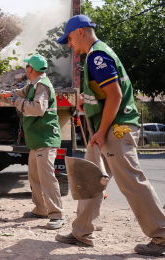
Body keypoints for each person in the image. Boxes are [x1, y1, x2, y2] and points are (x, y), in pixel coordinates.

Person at [55, 15, 165, 256]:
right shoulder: (99, 54)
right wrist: (88, 102)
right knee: (88, 179)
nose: (69, 44)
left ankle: (161, 236)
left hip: (115, 130)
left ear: (81, 32)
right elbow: (105, 94)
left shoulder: (97, 56)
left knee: (132, 182)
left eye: (70, 38)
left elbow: (115, 95)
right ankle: (81, 232)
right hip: (106, 129)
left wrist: (102, 132)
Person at [7, 54, 66, 230]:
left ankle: (57, 215)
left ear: (30, 69)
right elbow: (20, 94)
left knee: (47, 178)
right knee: (34, 177)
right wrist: (10, 95)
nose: (25, 69)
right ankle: (40, 209)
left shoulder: (42, 86)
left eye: (27, 67)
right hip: (37, 139)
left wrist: (18, 102)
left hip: (45, 138)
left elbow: (38, 108)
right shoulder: (34, 84)